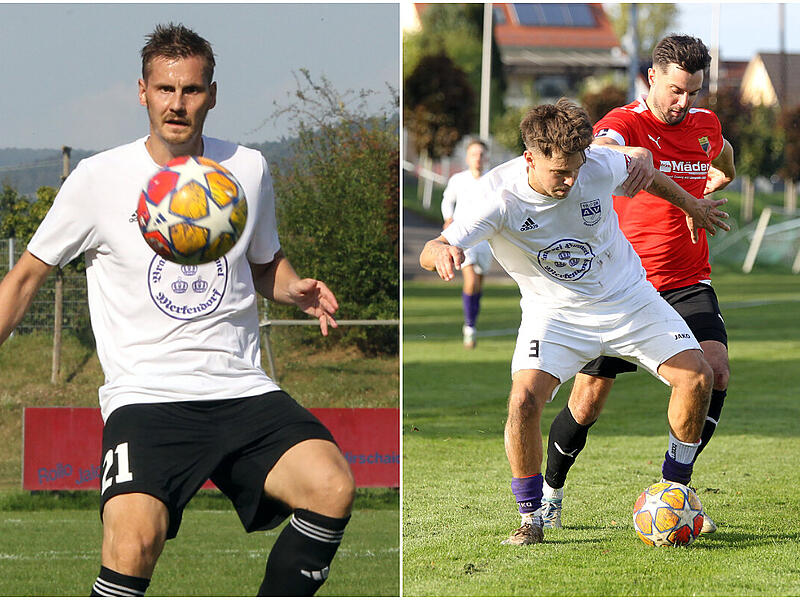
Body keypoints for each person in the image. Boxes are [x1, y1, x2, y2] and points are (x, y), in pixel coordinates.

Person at [0, 24, 355, 596]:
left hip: (240, 388)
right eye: (165, 89)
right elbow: (24, 278)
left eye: (191, 90)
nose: (177, 103)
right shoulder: (98, 179)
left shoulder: (248, 169)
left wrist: (292, 289)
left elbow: (266, 264)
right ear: (142, 91)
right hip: (146, 397)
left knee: (331, 484)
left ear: (212, 93)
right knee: (134, 543)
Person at [420, 98, 730, 545]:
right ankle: (531, 517)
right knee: (524, 401)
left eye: (576, 168)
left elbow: (648, 176)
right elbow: (436, 244)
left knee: (699, 376)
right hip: (555, 315)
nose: (570, 180)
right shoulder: (494, 198)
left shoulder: (596, 164)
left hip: (628, 299)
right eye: (559, 172)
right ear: (530, 158)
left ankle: (674, 489)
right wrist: (442, 252)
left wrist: (694, 207)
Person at [541, 35, 736, 535]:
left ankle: (676, 491)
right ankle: (551, 495)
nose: (683, 102)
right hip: (622, 288)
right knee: (586, 402)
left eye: (692, 92)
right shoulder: (625, 122)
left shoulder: (706, 126)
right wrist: (618, 150)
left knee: (713, 371)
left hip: (687, 280)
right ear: (652, 77)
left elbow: (723, 156)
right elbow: (603, 144)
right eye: (675, 90)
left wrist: (718, 181)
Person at [440, 139, 492, 348]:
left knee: (478, 284)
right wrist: (448, 217)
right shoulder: (458, 180)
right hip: (464, 239)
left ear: (486, 157)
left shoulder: (493, 180)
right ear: (467, 158)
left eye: (481, 154)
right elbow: (447, 200)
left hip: (486, 240)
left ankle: (472, 324)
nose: (477, 158)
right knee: (470, 281)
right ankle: (469, 328)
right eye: (473, 154)